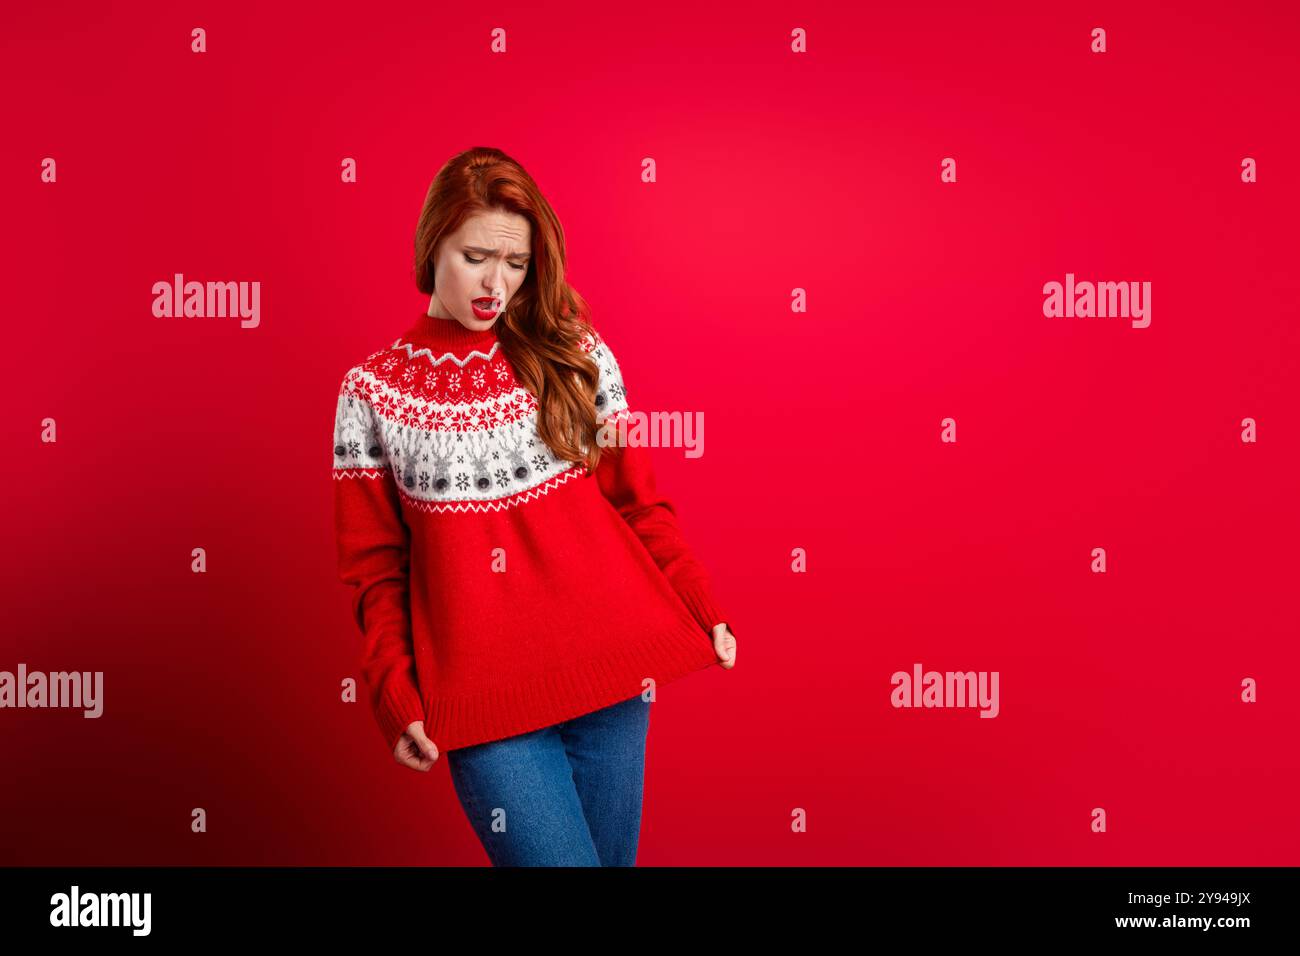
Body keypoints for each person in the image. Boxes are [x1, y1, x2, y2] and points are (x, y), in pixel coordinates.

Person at [332, 146, 738, 866]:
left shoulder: (570, 350)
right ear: (434, 248)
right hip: (486, 702)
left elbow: (638, 504)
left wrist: (702, 605)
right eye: (475, 256)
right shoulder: (370, 392)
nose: (496, 283)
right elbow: (374, 570)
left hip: (614, 672)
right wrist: (394, 693)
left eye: (515, 264)